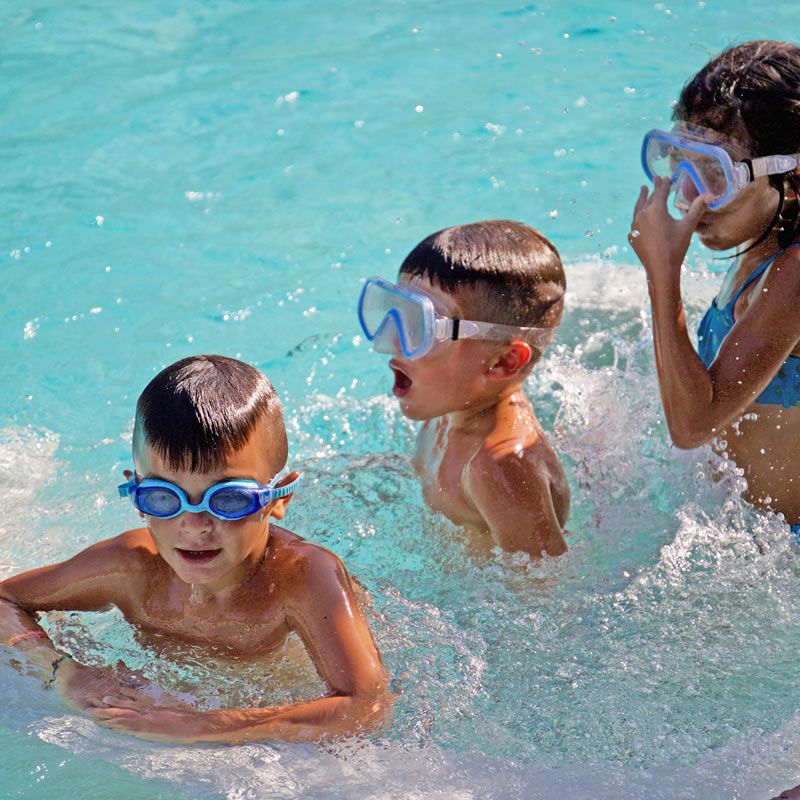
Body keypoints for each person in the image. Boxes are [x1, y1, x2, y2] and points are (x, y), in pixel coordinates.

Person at [0, 355, 391, 743]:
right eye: (163, 497)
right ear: (137, 497)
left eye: (228, 499)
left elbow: (367, 705)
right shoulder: (130, 569)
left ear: (278, 499)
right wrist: (65, 674)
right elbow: (5, 600)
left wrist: (202, 725)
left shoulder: (303, 578)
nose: (194, 525)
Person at [629, 39, 800, 534]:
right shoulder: (758, 246)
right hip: (745, 535)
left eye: (715, 174)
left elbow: (692, 426)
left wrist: (663, 274)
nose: (687, 196)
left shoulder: (793, 274)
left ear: (792, 178)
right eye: (679, 160)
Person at [357, 219, 569, 558]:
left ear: (504, 362)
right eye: (397, 312)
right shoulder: (448, 405)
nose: (389, 341)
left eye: (421, 327)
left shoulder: (499, 468)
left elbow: (544, 586)